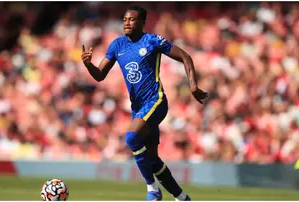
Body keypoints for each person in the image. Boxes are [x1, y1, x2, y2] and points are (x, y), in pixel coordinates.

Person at [81, 5, 208, 201]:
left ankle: (152, 189)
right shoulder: (117, 45)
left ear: (142, 22)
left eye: (132, 19)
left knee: (132, 138)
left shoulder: (152, 41)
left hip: (156, 101)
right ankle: (182, 197)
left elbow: (185, 56)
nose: (127, 23)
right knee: (152, 160)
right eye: (124, 19)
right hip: (138, 108)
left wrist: (192, 86)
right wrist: (89, 64)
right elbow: (99, 75)